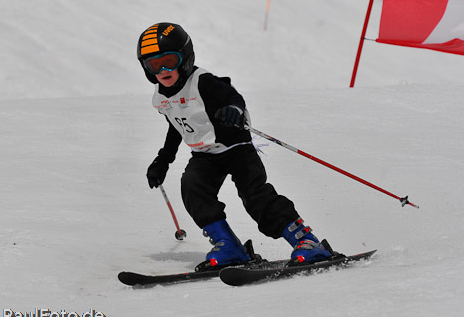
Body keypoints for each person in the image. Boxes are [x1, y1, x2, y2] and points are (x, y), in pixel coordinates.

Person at [137, 22, 333, 271]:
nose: (163, 69)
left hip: (236, 148)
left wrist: (234, 110)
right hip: (204, 155)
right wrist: (162, 161)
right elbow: (175, 128)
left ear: (185, 58)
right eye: (154, 64)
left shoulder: (203, 82)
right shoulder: (162, 98)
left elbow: (232, 96)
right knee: (192, 188)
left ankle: (307, 241)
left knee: (256, 197)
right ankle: (228, 245)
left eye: (169, 61)